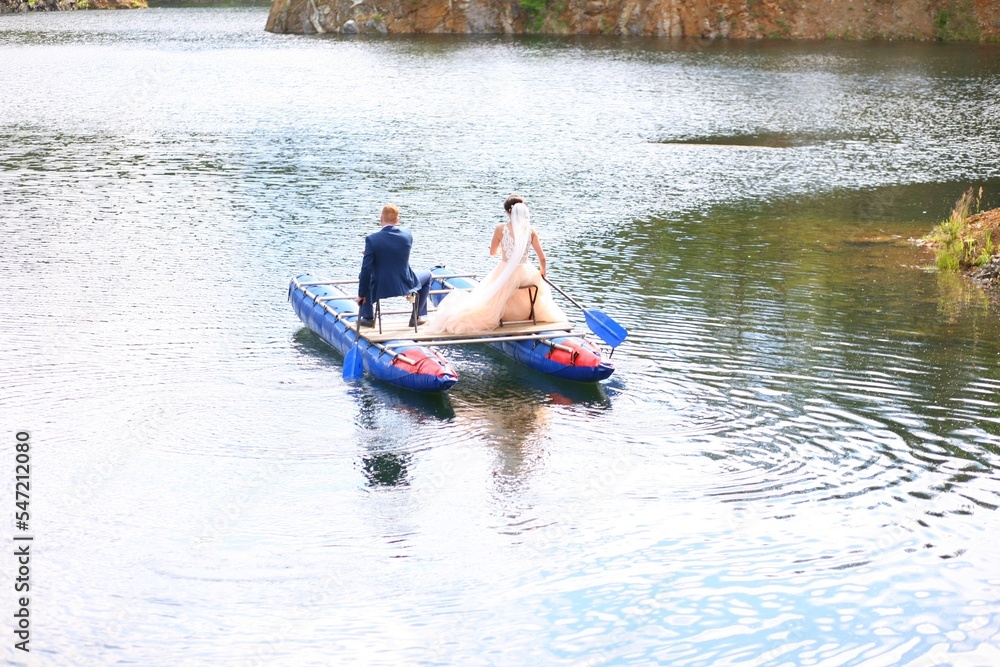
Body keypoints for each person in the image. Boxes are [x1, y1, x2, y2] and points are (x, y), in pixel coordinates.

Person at [428, 195, 566, 335]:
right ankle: (530, 316)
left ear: (507, 211)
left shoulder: (501, 228)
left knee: (494, 287)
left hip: (507, 270)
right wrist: (543, 272)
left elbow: (492, 252)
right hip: (527, 272)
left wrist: (503, 250)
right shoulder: (530, 230)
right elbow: (542, 258)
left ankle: (502, 316)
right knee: (536, 286)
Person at [357, 204, 431, 328]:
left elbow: (366, 269)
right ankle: (416, 317)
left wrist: (361, 294)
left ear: (381, 219)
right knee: (428, 276)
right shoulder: (407, 235)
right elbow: (396, 253)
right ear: (397, 220)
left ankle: (368, 317)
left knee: (364, 275)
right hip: (406, 283)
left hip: (381, 286)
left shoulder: (372, 239)